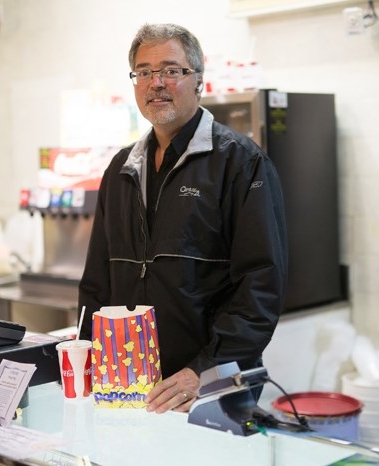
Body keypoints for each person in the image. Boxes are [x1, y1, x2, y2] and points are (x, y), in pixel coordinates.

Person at [77, 23, 288, 414]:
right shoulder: (121, 169)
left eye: (171, 70)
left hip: (211, 386)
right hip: (128, 387)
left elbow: (260, 288)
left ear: (199, 82)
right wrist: (88, 354)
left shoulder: (240, 163)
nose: (156, 83)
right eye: (144, 72)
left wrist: (203, 371)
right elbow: (96, 284)